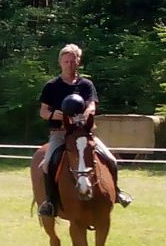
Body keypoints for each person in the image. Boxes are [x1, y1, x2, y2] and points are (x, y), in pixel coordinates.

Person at [37, 44, 132, 217]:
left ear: (78, 62)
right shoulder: (51, 86)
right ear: (60, 62)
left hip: (83, 132)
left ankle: (117, 192)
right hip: (60, 133)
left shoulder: (86, 84)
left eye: (73, 61)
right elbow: (43, 111)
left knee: (111, 159)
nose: (69, 65)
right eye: (66, 61)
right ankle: (50, 201)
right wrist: (53, 115)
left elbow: (92, 106)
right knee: (47, 163)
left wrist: (85, 115)